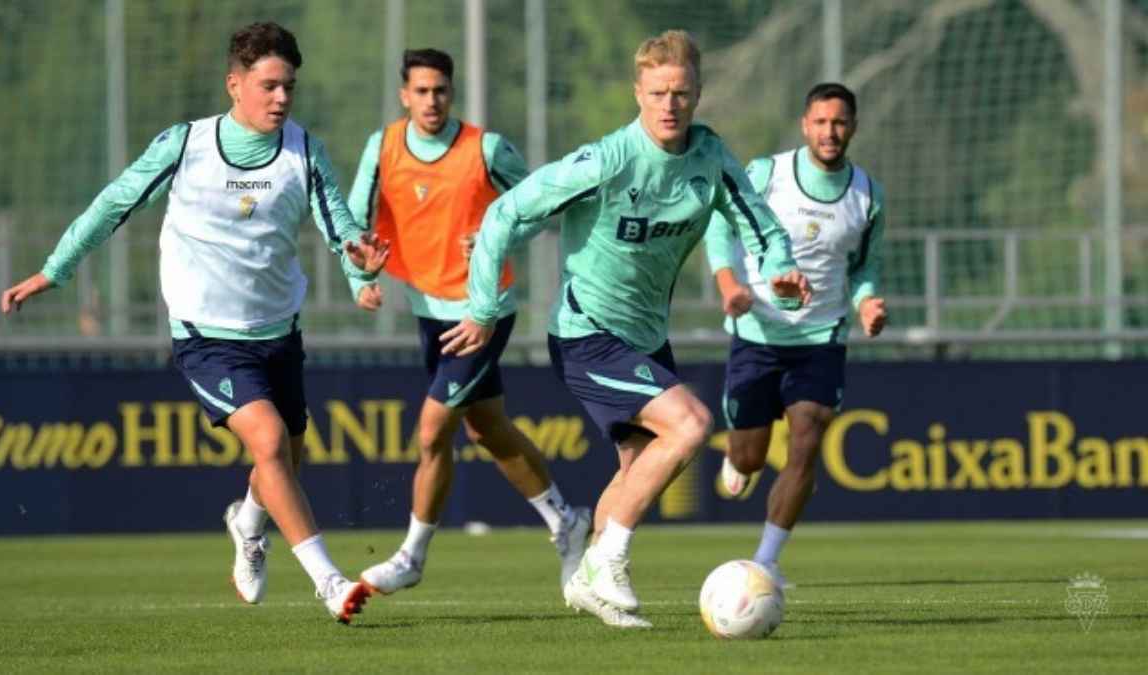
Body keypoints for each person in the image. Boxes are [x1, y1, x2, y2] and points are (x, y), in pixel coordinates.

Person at [0, 22, 388, 624]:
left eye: (289, 87)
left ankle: (249, 524)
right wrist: (56, 270)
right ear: (235, 85)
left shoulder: (304, 150)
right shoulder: (186, 145)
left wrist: (361, 270)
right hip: (207, 337)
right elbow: (113, 203)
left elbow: (341, 229)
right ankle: (330, 582)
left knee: (286, 452)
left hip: (278, 333)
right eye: (268, 86)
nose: (281, 98)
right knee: (267, 441)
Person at [441, 30, 811, 628]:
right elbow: (505, 213)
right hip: (586, 331)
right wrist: (483, 307)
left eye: (682, 93)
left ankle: (591, 579)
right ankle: (606, 561)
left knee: (637, 472)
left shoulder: (710, 159)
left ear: (698, 94)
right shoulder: (609, 158)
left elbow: (760, 225)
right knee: (691, 424)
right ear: (638, 93)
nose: (670, 105)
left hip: (643, 337)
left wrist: (781, 268)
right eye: (659, 92)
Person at [345, 48, 591, 598]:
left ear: (451, 93)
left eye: (441, 90)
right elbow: (353, 220)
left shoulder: (485, 148)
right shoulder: (382, 148)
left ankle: (411, 555)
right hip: (428, 310)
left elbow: (540, 205)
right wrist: (358, 277)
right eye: (422, 91)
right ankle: (566, 522)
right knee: (487, 428)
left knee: (432, 431)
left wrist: (497, 236)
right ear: (404, 95)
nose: (432, 100)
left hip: (484, 310)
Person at [706, 82, 887, 588]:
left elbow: (866, 266)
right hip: (757, 332)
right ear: (805, 125)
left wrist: (867, 302)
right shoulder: (767, 174)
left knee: (807, 441)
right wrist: (730, 283)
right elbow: (721, 225)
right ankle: (739, 460)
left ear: (853, 126)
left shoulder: (867, 194)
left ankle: (765, 562)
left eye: (840, 122)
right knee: (749, 457)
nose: (831, 132)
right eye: (821, 122)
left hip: (821, 339)